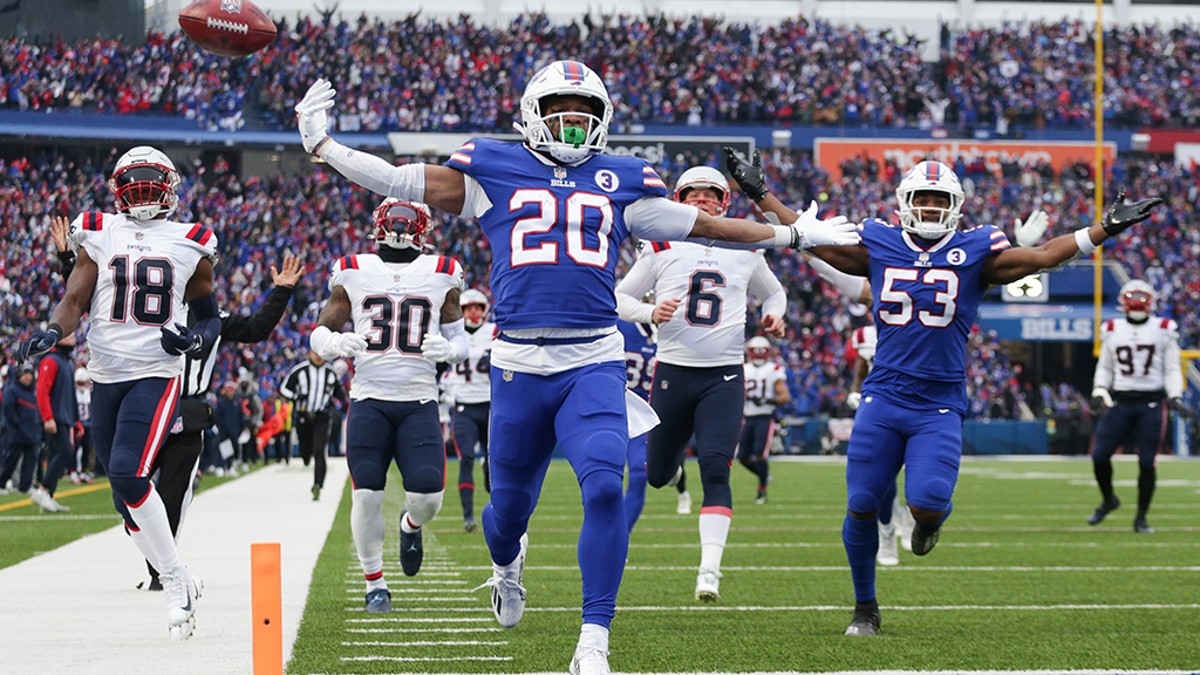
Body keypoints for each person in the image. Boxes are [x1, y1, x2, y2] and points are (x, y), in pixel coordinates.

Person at [294, 60, 856, 674]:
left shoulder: (622, 177)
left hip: (592, 357)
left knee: (606, 488)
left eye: (586, 112)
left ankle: (594, 639)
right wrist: (324, 146)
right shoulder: (492, 166)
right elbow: (396, 178)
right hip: (517, 362)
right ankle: (507, 565)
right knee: (507, 513)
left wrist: (794, 236)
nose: (573, 121)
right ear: (533, 113)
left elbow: (710, 227)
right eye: (561, 109)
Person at [725, 149, 1162, 636]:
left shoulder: (977, 249)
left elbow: (1042, 256)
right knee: (863, 502)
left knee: (929, 502)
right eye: (923, 198)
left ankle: (929, 525)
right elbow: (808, 237)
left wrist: (1103, 229)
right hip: (883, 395)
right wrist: (759, 192)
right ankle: (865, 607)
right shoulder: (879, 241)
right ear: (905, 202)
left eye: (939, 200)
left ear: (955, 206)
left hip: (938, 403)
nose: (930, 207)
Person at [18, 145, 219, 638]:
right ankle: (180, 572)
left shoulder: (191, 240)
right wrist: (52, 330)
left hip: (155, 373)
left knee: (130, 473)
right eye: (138, 182)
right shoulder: (99, 230)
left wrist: (194, 341)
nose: (144, 191)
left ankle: (175, 582)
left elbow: (210, 318)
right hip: (105, 374)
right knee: (122, 498)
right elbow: (74, 299)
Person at [614, 165, 788, 603]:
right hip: (672, 373)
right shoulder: (661, 244)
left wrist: (774, 314)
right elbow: (619, 297)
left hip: (724, 375)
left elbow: (774, 292)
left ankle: (709, 571)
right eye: (693, 194)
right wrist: (649, 313)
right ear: (678, 200)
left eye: (710, 194)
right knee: (656, 475)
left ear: (724, 201)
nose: (702, 200)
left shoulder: (745, 246)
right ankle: (673, 470)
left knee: (715, 468)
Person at [308, 198, 466, 613]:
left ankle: (410, 526)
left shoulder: (442, 272)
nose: (399, 228)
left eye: (406, 222)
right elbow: (318, 334)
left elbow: (462, 340)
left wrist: (450, 349)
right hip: (369, 399)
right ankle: (374, 583)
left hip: (419, 400)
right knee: (366, 496)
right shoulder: (354, 270)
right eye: (393, 222)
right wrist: (336, 342)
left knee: (428, 498)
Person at [136, 254, 300, 591]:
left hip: (186, 409)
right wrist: (68, 263)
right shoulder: (144, 308)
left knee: (173, 495)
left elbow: (256, 328)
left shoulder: (213, 317)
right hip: (145, 406)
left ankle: (160, 571)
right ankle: (158, 562)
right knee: (128, 489)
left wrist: (281, 292)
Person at [1087, 280, 1191, 534]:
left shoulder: (1163, 328)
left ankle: (1141, 517)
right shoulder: (1112, 328)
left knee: (1147, 462)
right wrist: (1099, 389)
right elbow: (1106, 366)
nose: (1136, 303)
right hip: (1121, 401)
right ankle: (1109, 499)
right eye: (1132, 298)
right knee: (1100, 455)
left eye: (1140, 298)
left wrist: (1175, 395)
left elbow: (1172, 368)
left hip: (1151, 403)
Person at [442, 288, 495, 532]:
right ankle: (468, 517)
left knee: (494, 461)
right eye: (468, 308)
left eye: (477, 307)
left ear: (484, 310)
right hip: (464, 406)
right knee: (466, 458)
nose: (473, 312)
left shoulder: (494, 332)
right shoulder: (453, 334)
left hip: (490, 405)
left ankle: (497, 511)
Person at [279, 349, 347, 500]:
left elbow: (340, 394)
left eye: (322, 354)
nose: (318, 357)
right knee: (305, 449)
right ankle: (305, 457)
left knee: (319, 450)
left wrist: (339, 399)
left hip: (322, 416)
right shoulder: (300, 370)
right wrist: (296, 397)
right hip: (303, 415)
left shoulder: (331, 373)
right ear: (310, 353)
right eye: (316, 353)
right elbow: (284, 389)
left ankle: (318, 484)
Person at [617, 301, 656, 532]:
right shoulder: (620, 324)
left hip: (644, 415)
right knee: (602, 480)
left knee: (640, 474)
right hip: (610, 407)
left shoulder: (674, 331)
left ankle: (621, 535)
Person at [31, 332, 79, 513]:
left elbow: (70, 396)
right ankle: (43, 490)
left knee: (55, 455)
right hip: (55, 417)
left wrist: (75, 420)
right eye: (70, 335)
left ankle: (48, 496)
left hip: (62, 416)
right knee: (65, 451)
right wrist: (47, 417)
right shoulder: (51, 361)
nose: (74, 338)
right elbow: (42, 391)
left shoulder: (66, 363)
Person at [741, 336, 790, 504]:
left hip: (765, 417)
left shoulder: (773, 369)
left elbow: (784, 396)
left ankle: (762, 491)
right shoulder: (743, 369)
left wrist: (768, 400)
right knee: (743, 457)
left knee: (760, 454)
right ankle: (765, 476)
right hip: (747, 417)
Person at [0, 364, 42, 495]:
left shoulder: (34, 392)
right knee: (11, 460)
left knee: (30, 461)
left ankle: (25, 486)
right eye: (25, 374)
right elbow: (8, 410)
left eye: (30, 375)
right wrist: (18, 423)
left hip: (32, 432)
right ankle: (1, 483)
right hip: (17, 433)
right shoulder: (12, 391)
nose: (28, 378)